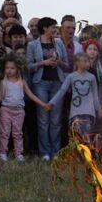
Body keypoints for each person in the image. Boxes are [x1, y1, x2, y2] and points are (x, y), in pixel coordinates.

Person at [27, 18, 67, 160]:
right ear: (44, 28)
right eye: (52, 27)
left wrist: (58, 62)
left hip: (58, 83)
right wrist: (43, 62)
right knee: (43, 120)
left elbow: (66, 65)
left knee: (55, 120)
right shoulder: (32, 45)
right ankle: (44, 152)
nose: (54, 30)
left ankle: (56, 152)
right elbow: (29, 66)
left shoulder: (59, 43)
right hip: (41, 83)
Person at [48, 49, 102, 145]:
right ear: (77, 63)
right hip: (76, 111)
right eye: (85, 61)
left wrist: (98, 109)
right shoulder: (71, 77)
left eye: (88, 61)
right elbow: (62, 91)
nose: (88, 63)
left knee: (86, 135)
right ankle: (76, 157)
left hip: (88, 112)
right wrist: (52, 102)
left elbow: (95, 95)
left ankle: (87, 157)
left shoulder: (91, 77)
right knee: (76, 135)